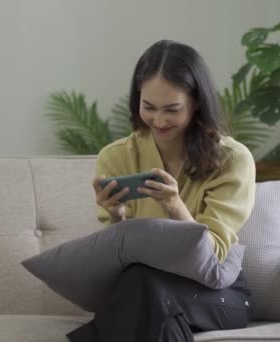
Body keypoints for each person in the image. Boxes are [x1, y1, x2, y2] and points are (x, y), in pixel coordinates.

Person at [67, 40, 256, 341]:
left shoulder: (232, 160)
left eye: (172, 109)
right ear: (136, 99)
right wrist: (116, 219)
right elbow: (118, 263)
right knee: (143, 291)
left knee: (141, 290)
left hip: (217, 291)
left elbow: (214, 256)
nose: (159, 120)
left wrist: (175, 206)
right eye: (149, 107)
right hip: (142, 287)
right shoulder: (115, 157)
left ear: (196, 103)